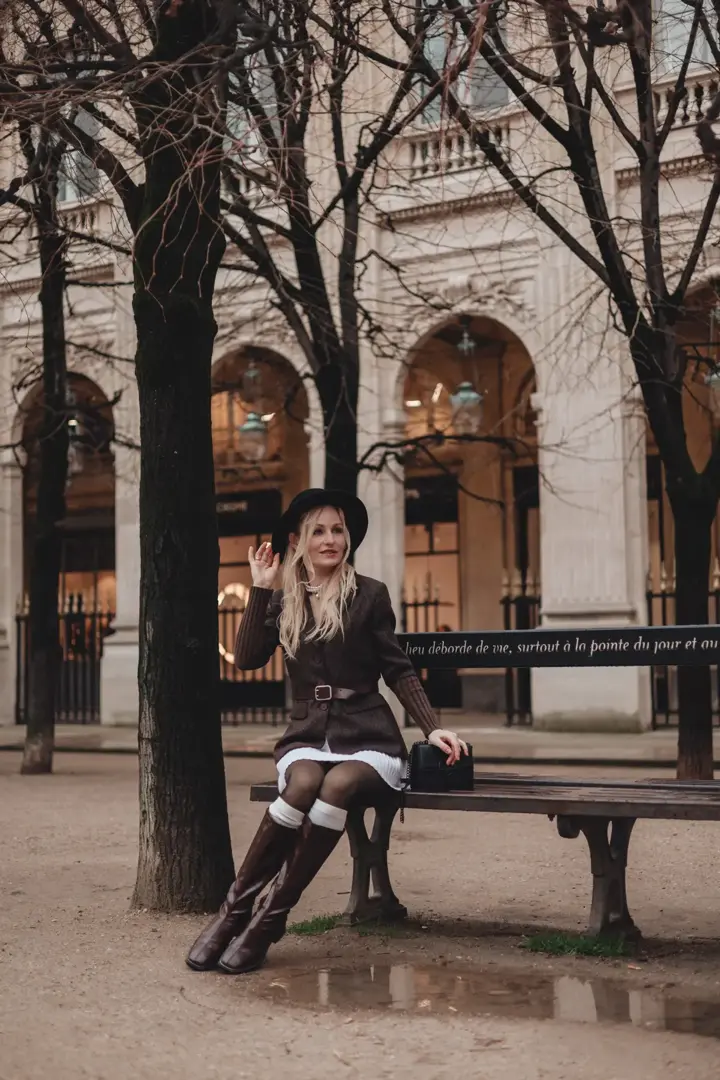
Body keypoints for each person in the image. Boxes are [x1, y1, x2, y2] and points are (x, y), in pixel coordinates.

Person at [186, 488, 468, 975]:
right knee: (302, 784)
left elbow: (397, 670)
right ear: (298, 541)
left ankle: (268, 921)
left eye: (338, 530)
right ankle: (233, 916)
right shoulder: (285, 600)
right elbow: (248, 658)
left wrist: (432, 727)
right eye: (319, 531)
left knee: (335, 785)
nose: (330, 539)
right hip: (307, 736)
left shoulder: (369, 595)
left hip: (369, 738)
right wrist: (259, 588)